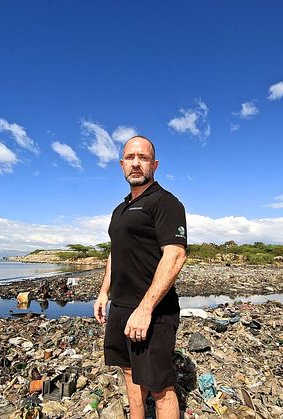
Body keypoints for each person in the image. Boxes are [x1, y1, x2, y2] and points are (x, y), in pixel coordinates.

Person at [94, 135, 187, 419]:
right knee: (130, 375)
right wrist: (103, 292)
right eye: (130, 158)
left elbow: (175, 256)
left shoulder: (166, 203)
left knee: (160, 387)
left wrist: (145, 309)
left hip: (155, 311)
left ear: (154, 164)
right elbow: (116, 253)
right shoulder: (119, 210)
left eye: (143, 158)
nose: (136, 163)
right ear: (121, 164)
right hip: (121, 307)